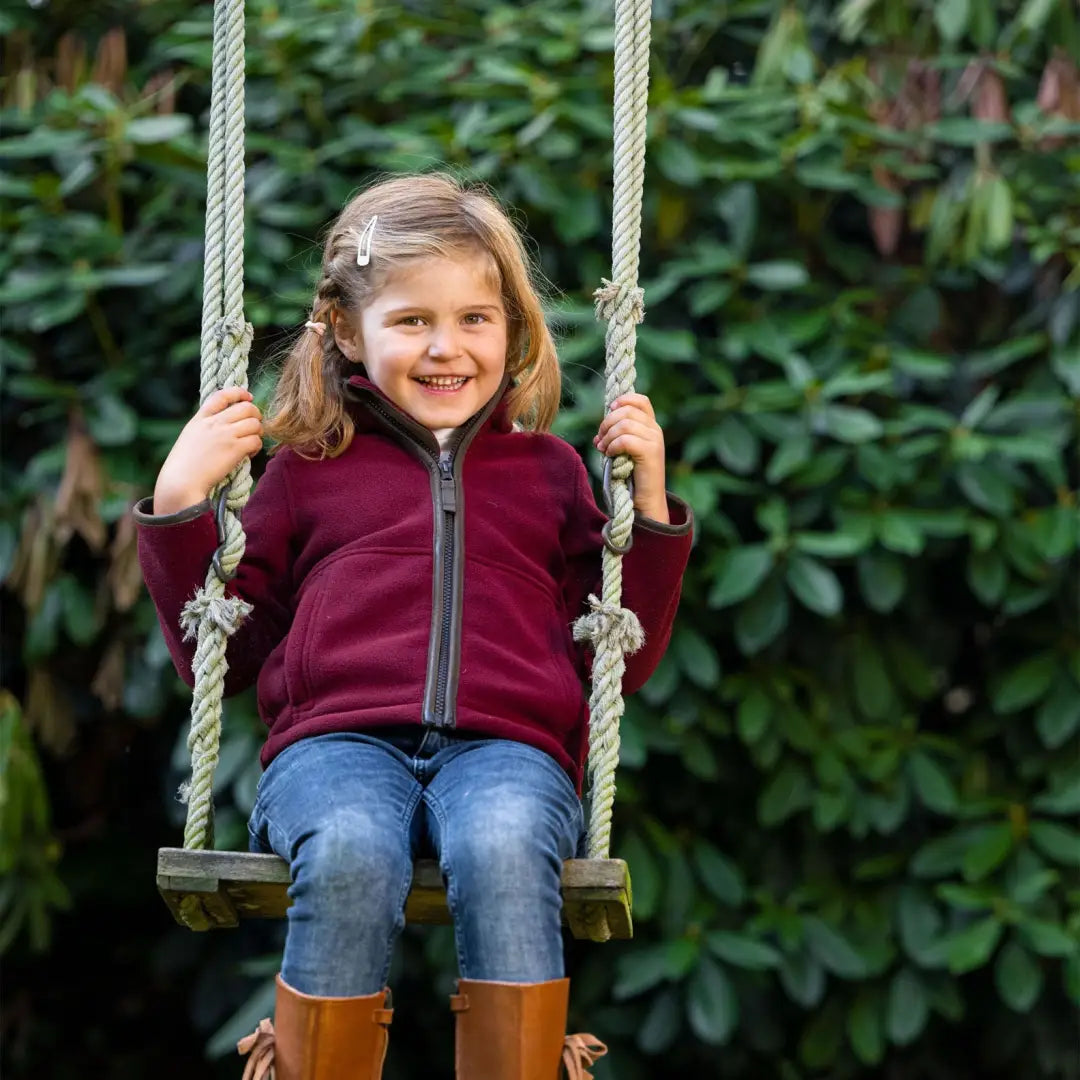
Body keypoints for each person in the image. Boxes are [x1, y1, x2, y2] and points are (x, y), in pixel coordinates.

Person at [136, 173, 693, 1080]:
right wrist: (178, 501)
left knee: (506, 842)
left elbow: (617, 661)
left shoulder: (550, 473)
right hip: (333, 749)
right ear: (349, 331)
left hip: (509, 750)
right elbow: (222, 654)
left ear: (512, 329)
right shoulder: (308, 472)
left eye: (476, 318)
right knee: (352, 848)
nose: (447, 347)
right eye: (412, 321)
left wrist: (653, 499)